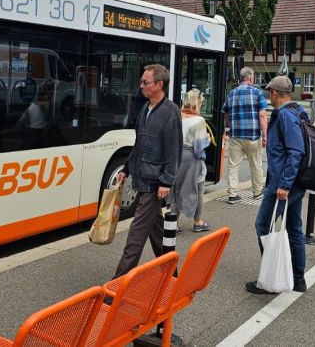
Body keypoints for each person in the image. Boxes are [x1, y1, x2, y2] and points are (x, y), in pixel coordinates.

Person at [113, 64, 182, 278]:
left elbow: (174, 151)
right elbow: (139, 145)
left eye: (146, 82)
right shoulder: (146, 109)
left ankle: (117, 284)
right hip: (143, 178)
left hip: (155, 183)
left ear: (159, 85)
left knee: (136, 235)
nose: (141, 85)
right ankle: (172, 273)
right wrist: (126, 168)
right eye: (141, 81)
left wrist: (166, 182)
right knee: (156, 230)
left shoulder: (171, 112)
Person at [246, 76, 308, 295]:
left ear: (273, 93)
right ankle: (298, 279)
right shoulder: (298, 111)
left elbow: (296, 151)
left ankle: (271, 277)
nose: (267, 96)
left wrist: (284, 184)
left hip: (282, 185)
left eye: (268, 92)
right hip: (294, 183)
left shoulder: (284, 116)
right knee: (294, 228)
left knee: (263, 225)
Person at [222, 67, 268, 203]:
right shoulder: (257, 92)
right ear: (251, 78)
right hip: (253, 135)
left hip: (236, 135)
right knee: (256, 164)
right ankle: (257, 192)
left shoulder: (232, 93)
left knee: (233, 165)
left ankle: (232, 194)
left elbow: (226, 113)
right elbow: (263, 114)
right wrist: (265, 135)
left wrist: (230, 126)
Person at [168, 89, 212, 232]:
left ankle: (173, 224)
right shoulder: (199, 120)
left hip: (176, 157)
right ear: (197, 102)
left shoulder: (177, 116)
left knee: (176, 188)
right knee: (197, 188)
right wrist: (208, 140)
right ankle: (198, 221)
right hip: (192, 159)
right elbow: (199, 149)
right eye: (201, 102)